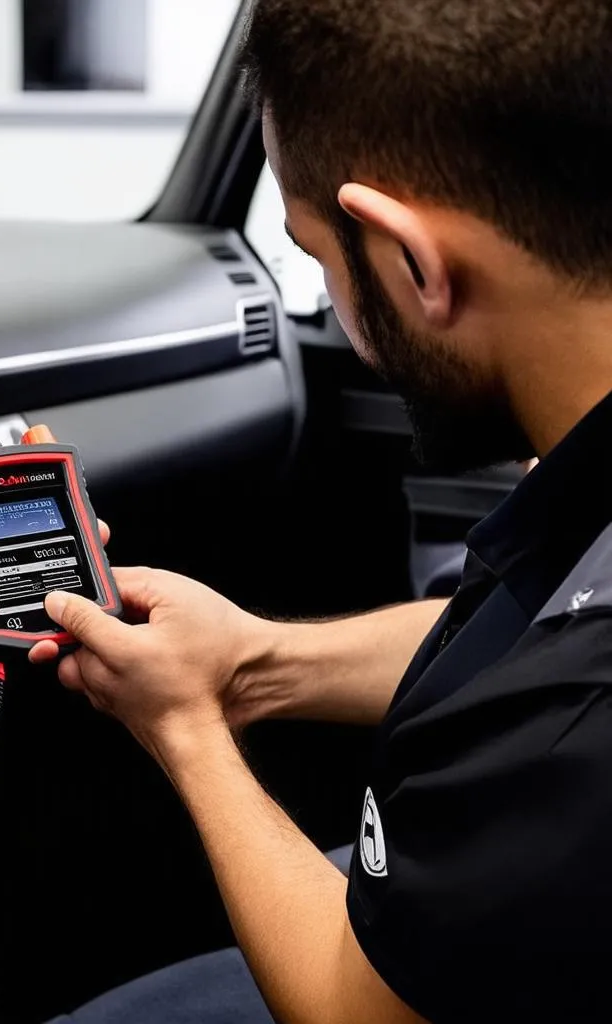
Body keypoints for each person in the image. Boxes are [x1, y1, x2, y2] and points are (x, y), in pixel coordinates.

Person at [30, 1, 612, 1021]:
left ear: (414, 264)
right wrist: (253, 662)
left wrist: (187, 729)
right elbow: (529, 633)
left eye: (313, 258)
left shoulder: (580, 727)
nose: (329, 297)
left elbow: (355, 1007)